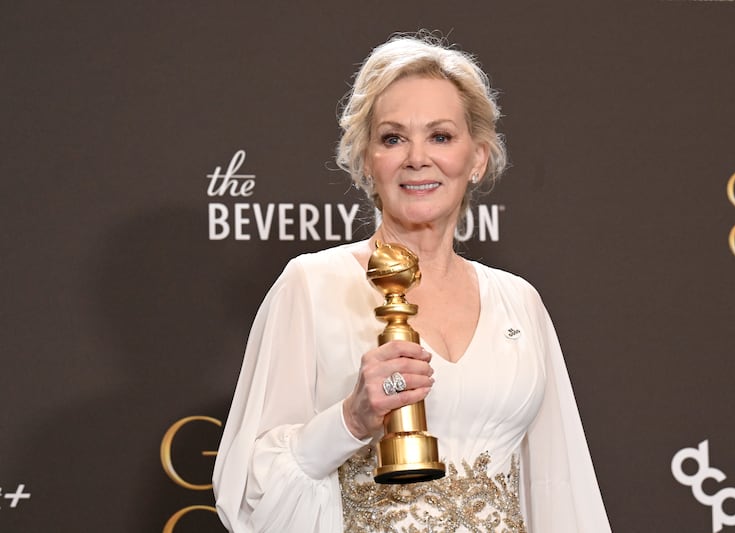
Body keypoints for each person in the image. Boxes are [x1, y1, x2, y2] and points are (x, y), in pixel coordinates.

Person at [213, 33, 612, 533]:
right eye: (393, 138)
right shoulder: (312, 285)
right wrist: (351, 421)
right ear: (365, 161)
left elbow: (560, 488)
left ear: (478, 158)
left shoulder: (519, 303)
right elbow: (248, 492)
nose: (417, 158)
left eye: (440, 136)